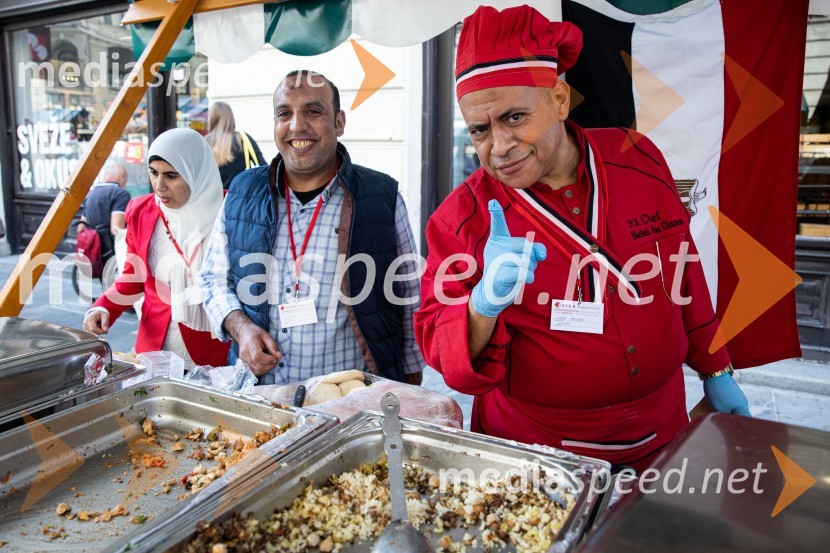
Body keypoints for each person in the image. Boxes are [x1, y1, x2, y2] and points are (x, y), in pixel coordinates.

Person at [415, 5, 750, 470]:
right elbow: (439, 347)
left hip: (664, 437)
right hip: (535, 456)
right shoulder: (461, 218)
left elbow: (683, 265)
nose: (499, 145)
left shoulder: (637, 157)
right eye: (479, 129)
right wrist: (481, 306)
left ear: (557, 99)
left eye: (514, 117)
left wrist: (716, 367)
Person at [200, 70, 423, 385]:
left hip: (349, 401)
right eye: (284, 114)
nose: (296, 126)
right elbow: (212, 280)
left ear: (339, 122)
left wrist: (410, 385)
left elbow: (409, 295)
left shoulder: (381, 196)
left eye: (313, 111)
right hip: (263, 398)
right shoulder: (242, 192)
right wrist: (243, 330)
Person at [83, 128, 230, 369]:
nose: (159, 186)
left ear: (196, 173)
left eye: (171, 176)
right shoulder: (141, 211)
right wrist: (103, 307)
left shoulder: (230, 211)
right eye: (153, 173)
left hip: (214, 352)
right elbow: (133, 276)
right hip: (156, 348)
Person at [205, 101, 267, 189]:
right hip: (240, 198)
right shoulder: (243, 139)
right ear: (231, 118)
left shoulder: (204, 143)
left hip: (212, 199)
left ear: (211, 119)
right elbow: (264, 168)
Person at [77, 161, 131, 262]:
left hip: (93, 247)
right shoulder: (121, 194)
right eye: (125, 180)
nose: (125, 184)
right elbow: (116, 229)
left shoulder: (91, 194)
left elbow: (80, 227)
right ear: (121, 177)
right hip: (109, 249)